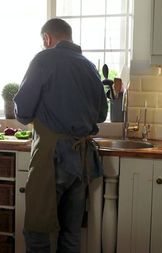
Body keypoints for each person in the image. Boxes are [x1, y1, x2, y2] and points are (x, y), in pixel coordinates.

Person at [14, 18, 108, 253]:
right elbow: (102, 114)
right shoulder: (89, 66)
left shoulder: (44, 59)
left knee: (37, 230)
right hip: (81, 160)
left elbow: (23, 112)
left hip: (52, 158)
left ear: (47, 38)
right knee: (71, 233)